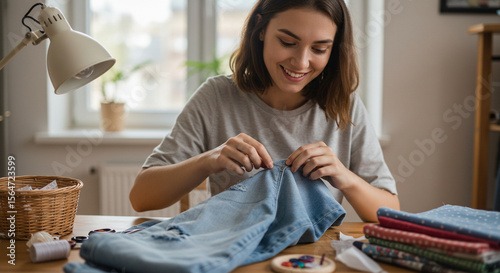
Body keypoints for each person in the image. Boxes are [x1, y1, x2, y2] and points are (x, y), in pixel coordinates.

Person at [130, 0, 400, 222]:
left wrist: (345, 177)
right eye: (287, 42)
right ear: (260, 29)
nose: (301, 61)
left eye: (319, 48)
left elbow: (390, 212)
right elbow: (141, 198)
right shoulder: (216, 97)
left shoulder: (345, 106)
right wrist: (209, 160)